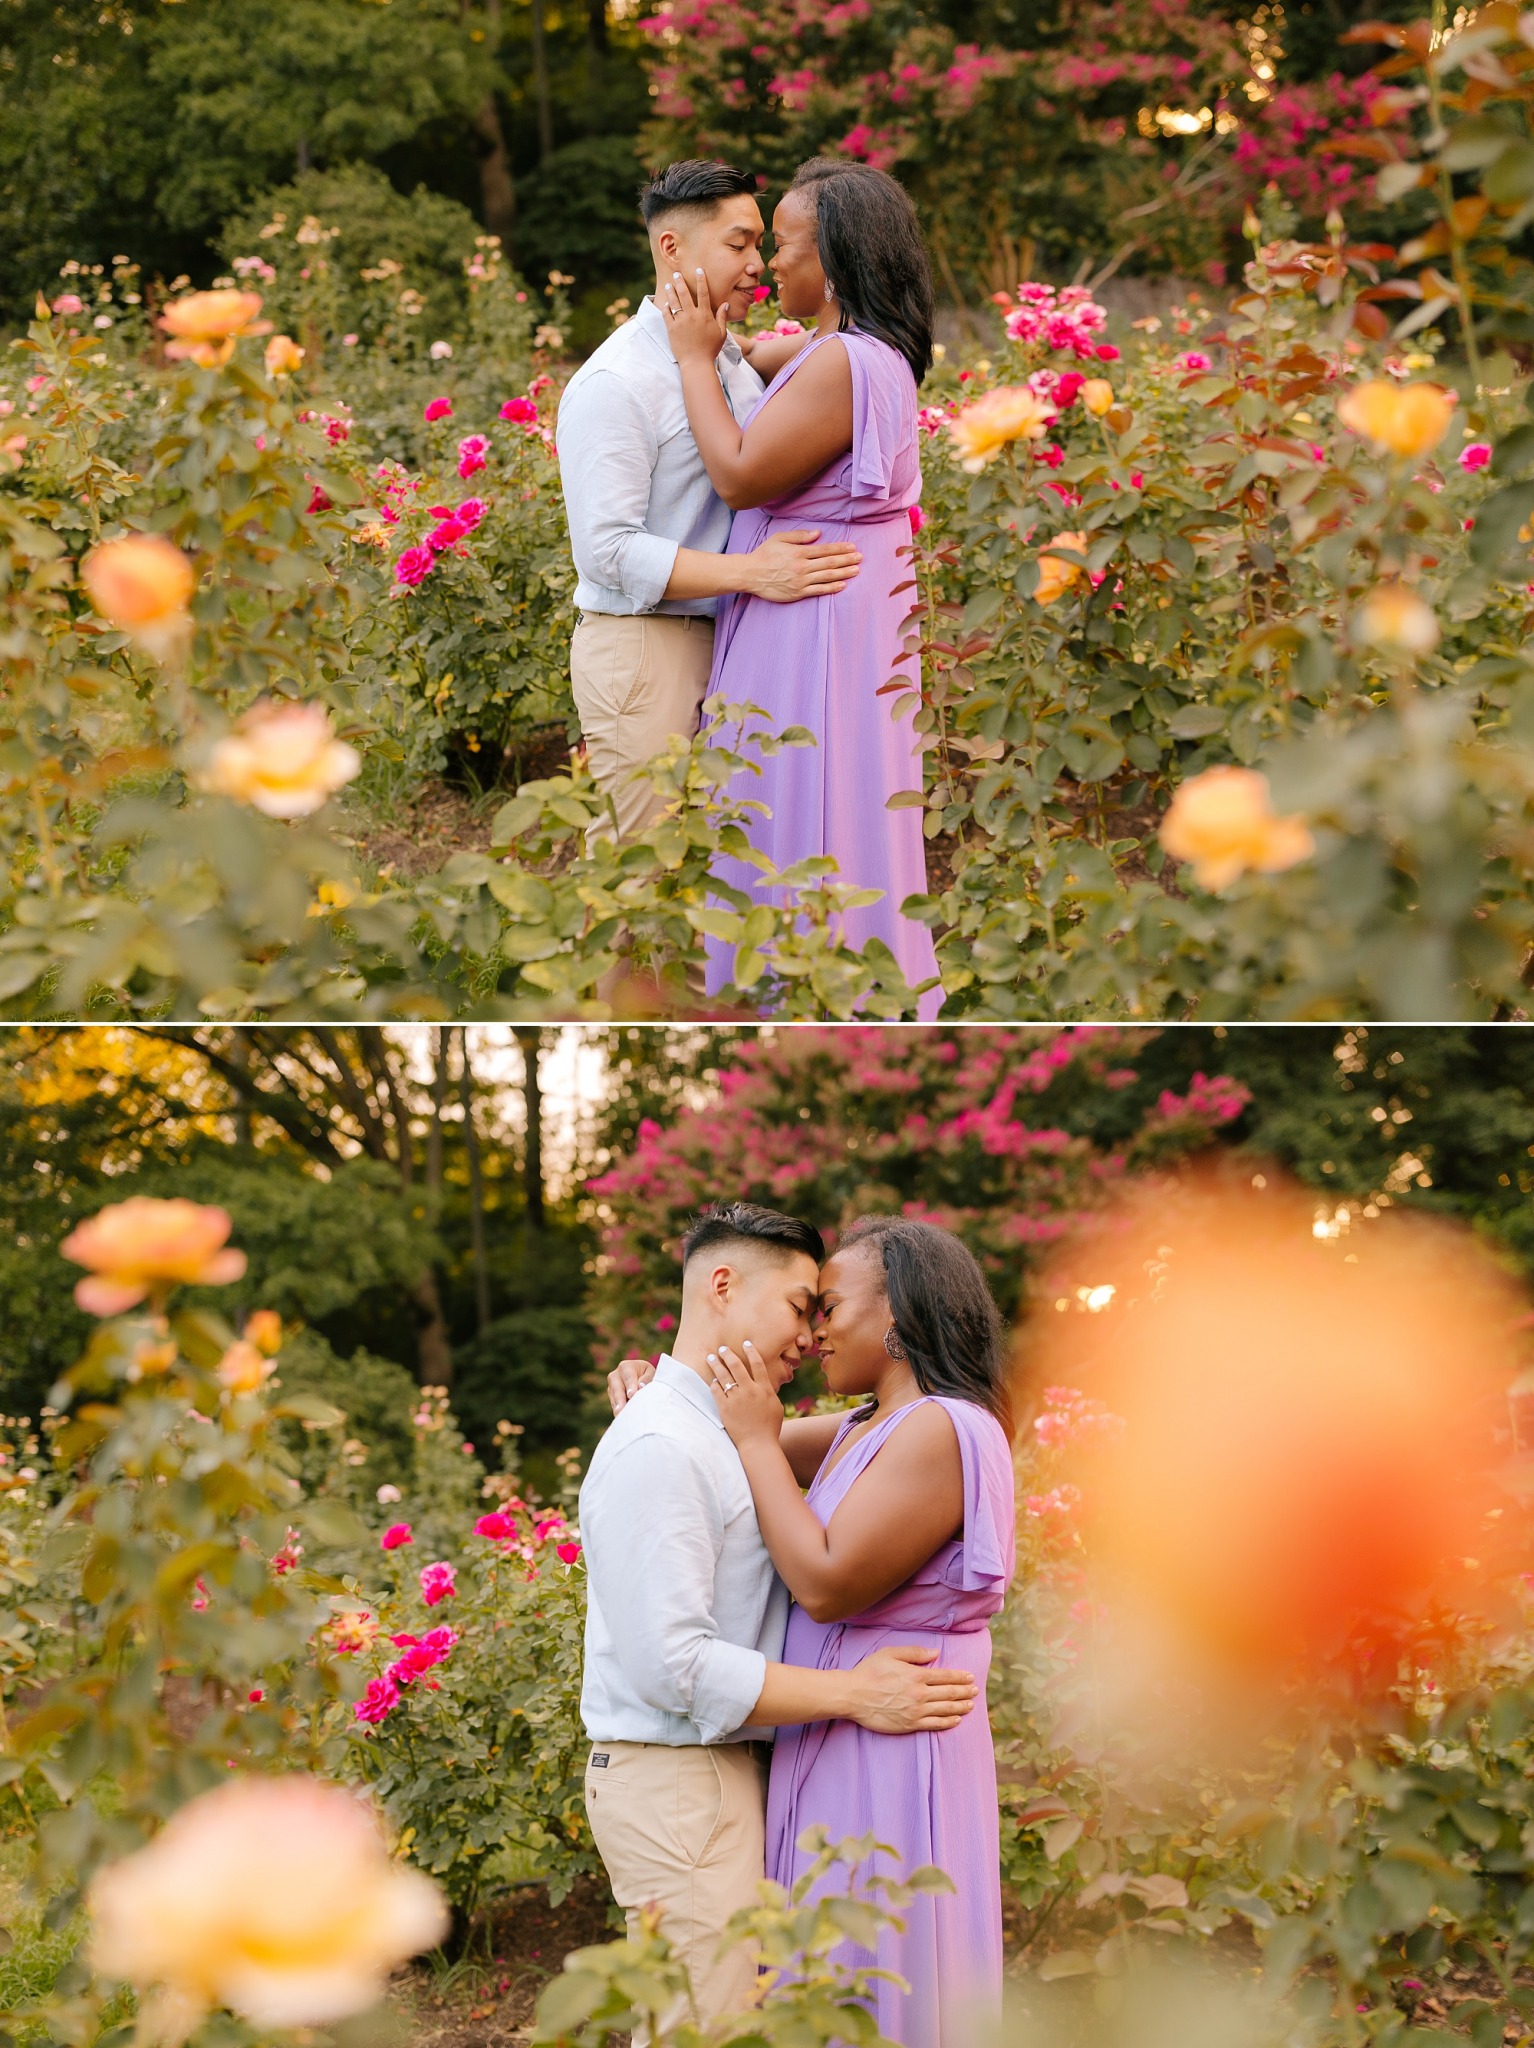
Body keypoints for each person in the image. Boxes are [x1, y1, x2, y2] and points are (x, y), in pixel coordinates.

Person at [606, 1214, 1017, 2048]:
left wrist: (756, 1434)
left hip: (894, 1738)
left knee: (877, 1965)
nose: (817, 1331)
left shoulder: (944, 1425)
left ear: (898, 1316)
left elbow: (825, 1584)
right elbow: (714, 1436)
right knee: (816, 1976)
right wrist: (655, 1389)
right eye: (809, 1308)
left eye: (829, 1307)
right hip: (841, 1725)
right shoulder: (864, 1426)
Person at [655, 158, 943, 1015]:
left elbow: (741, 476)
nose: (768, 265)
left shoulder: (843, 364)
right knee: (839, 800)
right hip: (842, 603)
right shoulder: (848, 349)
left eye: (782, 246)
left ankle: (791, 986)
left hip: (812, 614)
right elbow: (770, 349)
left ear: (837, 258)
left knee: (791, 795)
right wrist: (732, 340)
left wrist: (692, 359)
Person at [556, 161, 865, 841]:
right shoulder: (615, 382)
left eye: (761, 245)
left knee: (713, 881)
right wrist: (755, 573)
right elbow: (606, 551)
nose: (758, 264)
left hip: (723, 639)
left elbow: (783, 359)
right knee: (640, 883)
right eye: (738, 244)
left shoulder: (718, 354)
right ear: (672, 249)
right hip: (647, 651)